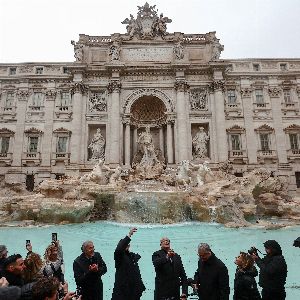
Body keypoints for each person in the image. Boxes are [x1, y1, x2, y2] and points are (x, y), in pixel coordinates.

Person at [111, 227, 145, 300]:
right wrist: (129, 235)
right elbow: (119, 249)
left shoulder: (131, 255)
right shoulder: (119, 256)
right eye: (124, 245)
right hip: (123, 290)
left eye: (127, 245)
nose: (126, 246)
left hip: (134, 289)